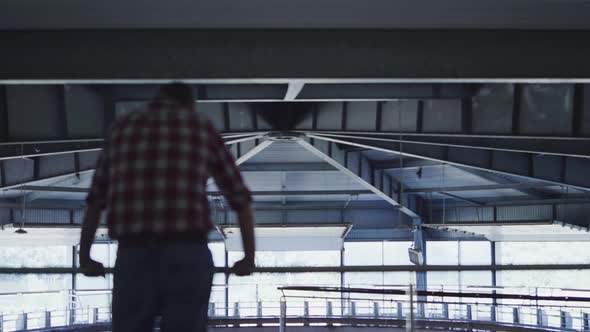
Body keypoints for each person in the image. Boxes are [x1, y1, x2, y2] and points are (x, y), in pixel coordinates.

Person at [78, 82, 256, 332]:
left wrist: (85, 257)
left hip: (134, 255)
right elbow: (240, 200)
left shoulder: (122, 128)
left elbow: (96, 200)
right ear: (189, 103)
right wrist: (248, 258)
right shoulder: (200, 127)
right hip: (187, 253)